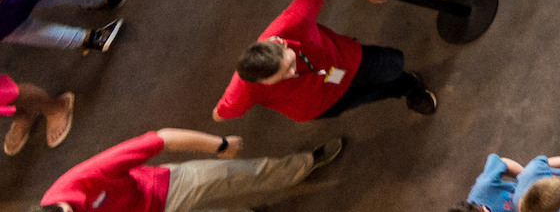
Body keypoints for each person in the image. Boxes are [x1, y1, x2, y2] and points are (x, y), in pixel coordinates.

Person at [212, 0, 434, 122]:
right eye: (281, 77)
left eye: (289, 64)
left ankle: (406, 81)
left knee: (393, 63)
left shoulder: (294, 21)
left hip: (345, 61)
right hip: (321, 104)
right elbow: (220, 114)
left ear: (282, 44)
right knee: (368, 94)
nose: (291, 72)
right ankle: (406, 90)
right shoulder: (243, 88)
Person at [38, 128, 348, 212]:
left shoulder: (82, 179)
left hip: (167, 187)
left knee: (246, 175)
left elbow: (161, 138)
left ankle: (305, 164)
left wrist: (220, 145)